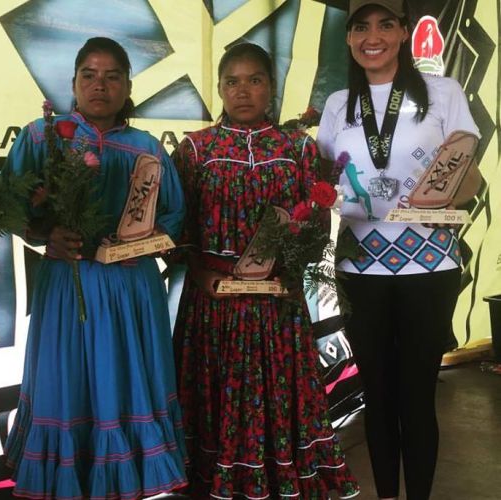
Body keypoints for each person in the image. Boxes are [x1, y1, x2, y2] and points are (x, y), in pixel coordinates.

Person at [172, 42, 360, 499]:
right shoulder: (195, 149)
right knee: (216, 398)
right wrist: (200, 277)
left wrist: (293, 271)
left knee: (277, 397)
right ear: (218, 88)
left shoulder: (297, 148)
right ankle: (218, 478)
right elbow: (178, 228)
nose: (243, 91)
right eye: (232, 81)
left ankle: (277, 476)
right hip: (213, 303)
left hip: (277, 306)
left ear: (271, 88)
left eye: (254, 80)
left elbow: (315, 228)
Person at [3, 37, 188, 499]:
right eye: (89, 74)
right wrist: (47, 236)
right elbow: (10, 202)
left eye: (112, 76)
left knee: (124, 387)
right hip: (68, 283)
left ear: (128, 87)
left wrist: (142, 241)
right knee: (67, 387)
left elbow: (174, 214)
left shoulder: (147, 147)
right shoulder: (41, 136)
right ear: (73, 83)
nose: (99, 85)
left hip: (131, 291)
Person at [316, 1, 479, 498]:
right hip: (361, 267)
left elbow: (470, 177)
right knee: (379, 397)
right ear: (348, 39)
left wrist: (450, 195)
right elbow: (322, 182)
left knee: (416, 396)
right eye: (361, 26)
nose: (374, 36)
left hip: (430, 267)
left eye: (386, 24)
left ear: (403, 32)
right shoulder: (337, 105)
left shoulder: (442, 92)